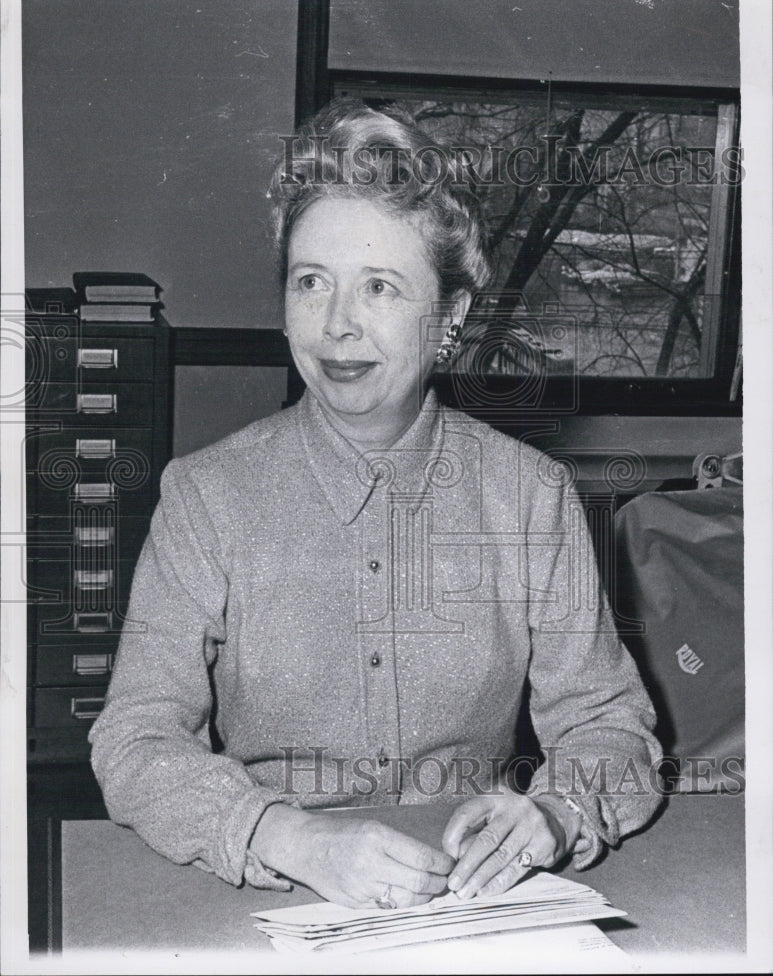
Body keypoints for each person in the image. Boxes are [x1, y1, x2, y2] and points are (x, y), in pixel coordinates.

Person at [90, 98, 662, 910]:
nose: (336, 326)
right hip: (267, 889)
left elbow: (606, 722)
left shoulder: (530, 495)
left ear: (449, 322)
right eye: (311, 282)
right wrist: (287, 836)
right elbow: (134, 738)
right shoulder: (205, 496)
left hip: (477, 898)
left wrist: (556, 812)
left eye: (380, 288)